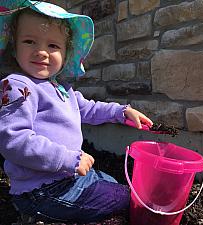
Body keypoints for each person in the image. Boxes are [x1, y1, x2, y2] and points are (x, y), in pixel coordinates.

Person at [0, 1, 153, 223]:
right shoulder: (19, 86)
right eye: (29, 41)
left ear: (66, 53)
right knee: (127, 199)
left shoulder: (60, 89)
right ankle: (36, 213)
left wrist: (122, 112)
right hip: (43, 191)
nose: (41, 51)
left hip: (67, 175)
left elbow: (89, 108)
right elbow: (14, 141)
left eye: (53, 46)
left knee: (112, 182)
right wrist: (68, 160)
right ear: (14, 47)